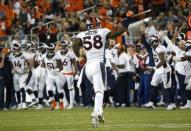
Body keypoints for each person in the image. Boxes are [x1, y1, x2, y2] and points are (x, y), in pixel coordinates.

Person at [72, 14, 134, 127]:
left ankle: (99, 113)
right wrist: (127, 21)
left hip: (87, 68)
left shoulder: (82, 34)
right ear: (97, 24)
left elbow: (74, 44)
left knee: (97, 91)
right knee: (99, 92)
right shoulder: (102, 31)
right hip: (98, 64)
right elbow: (119, 32)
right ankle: (96, 114)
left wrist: (79, 57)